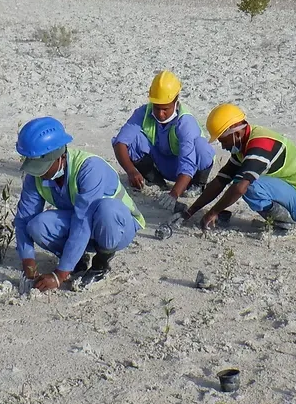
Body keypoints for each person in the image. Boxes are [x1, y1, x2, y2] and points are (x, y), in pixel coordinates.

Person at [14, 116, 146, 292]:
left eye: (42, 166)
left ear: (60, 156)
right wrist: (28, 263)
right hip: (83, 224)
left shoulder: (90, 169)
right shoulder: (36, 176)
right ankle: (78, 261)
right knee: (37, 225)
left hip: (117, 227)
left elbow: (83, 220)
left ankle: (101, 264)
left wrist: (59, 275)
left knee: (107, 209)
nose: (38, 173)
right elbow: (23, 218)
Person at [181, 103, 296, 235]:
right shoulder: (243, 145)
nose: (224, 147)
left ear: (236, 133)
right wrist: (190, 211)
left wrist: (213, 212)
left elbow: (239, 188)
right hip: (292, 192)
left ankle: (287, 223)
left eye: (224, 141)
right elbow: (220, 180)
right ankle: (281, 219)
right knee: (242, 180)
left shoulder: (261, 145)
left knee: (249, 185)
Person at [112, 70, 216, 213]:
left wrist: (174, 194)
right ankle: (156, 181)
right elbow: (120, 142)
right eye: (156, 107)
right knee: (135, 140)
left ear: (176, 100)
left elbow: (188, 163)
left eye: (165, 109)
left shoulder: (185, 122)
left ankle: (198, 184)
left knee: (201, 146)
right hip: (163, 163)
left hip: (189, 169)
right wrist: (131, 171)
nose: (160, 114)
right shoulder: (143, 113)